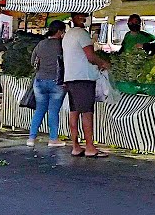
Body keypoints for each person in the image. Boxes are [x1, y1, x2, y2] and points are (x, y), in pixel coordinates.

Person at [62, 12, 111, 158]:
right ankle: (90, 147)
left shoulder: (68, 35)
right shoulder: (82, 34)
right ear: (75, 18)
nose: (84, 18)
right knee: (87, 112)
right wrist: (103, 63)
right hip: (83, 78)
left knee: (74, 112)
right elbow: (90, 56)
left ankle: (76, 147)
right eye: (82, 16)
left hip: (70, 77)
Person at [28, 20, 68, 149]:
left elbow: (32, 61)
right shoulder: (62, 46)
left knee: (39, 110)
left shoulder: (41, 44)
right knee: (53, 111)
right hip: (56, 83)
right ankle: (53, 139)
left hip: (39, 81)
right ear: (59, 32)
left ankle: (31, 138)